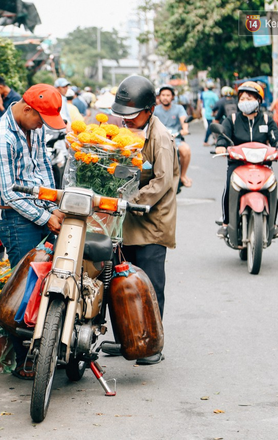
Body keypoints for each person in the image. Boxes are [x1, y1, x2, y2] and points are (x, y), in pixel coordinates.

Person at [0, 84, 66, 379]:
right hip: (17, 222)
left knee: (52, 280)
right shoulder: (0, 138)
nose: (43, 126)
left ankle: (50, 346)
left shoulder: (35, 127)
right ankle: (23, 360)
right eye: (41, 119)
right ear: (27, 109)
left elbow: (44, 165)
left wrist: (54, 202)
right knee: (24, 289)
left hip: (41, 212)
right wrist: (45, 218)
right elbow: (8, 194)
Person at [110, 75, 180, 366]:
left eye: (132, 114)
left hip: (152, 224)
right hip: (129, 221)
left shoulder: (161, 138)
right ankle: (127, 338)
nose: (126, 120)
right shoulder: (132, 132)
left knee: (150, 287)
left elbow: (162, 182)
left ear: (149, 110)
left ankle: (152, 344)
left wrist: (130, 201)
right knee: (123, 282)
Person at [215, 81, 278, 239]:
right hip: (237, 164)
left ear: (258, 100)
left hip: (262, 165)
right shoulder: (232, 119)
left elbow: (276, 138)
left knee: (271, 188)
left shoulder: (267, 120)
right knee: (229, 187)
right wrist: (220, 146)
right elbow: (224, 136)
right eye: (242, 99)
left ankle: (273, 225)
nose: (245, 102)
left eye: (249, 98)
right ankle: (226, 223)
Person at [154, 85, 192, 188]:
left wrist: (185, 129)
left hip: (176, 139)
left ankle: (183, 176)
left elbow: (184, 120)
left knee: (186, 150)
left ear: (172, 97)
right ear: (159, 97)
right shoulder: (155, 110)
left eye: (168, 95)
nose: (165, 97)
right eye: (163, 95)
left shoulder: (179, 108)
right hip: (159, 140)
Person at [199, 82, 219, 146]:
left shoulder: (204, 94)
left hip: (207, 113)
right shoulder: (214, 95)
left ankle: (215, 140)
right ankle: (205, 141)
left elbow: (200, 101)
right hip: (213, 114)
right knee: (211, 128)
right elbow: (218, 103)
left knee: (211, 127)